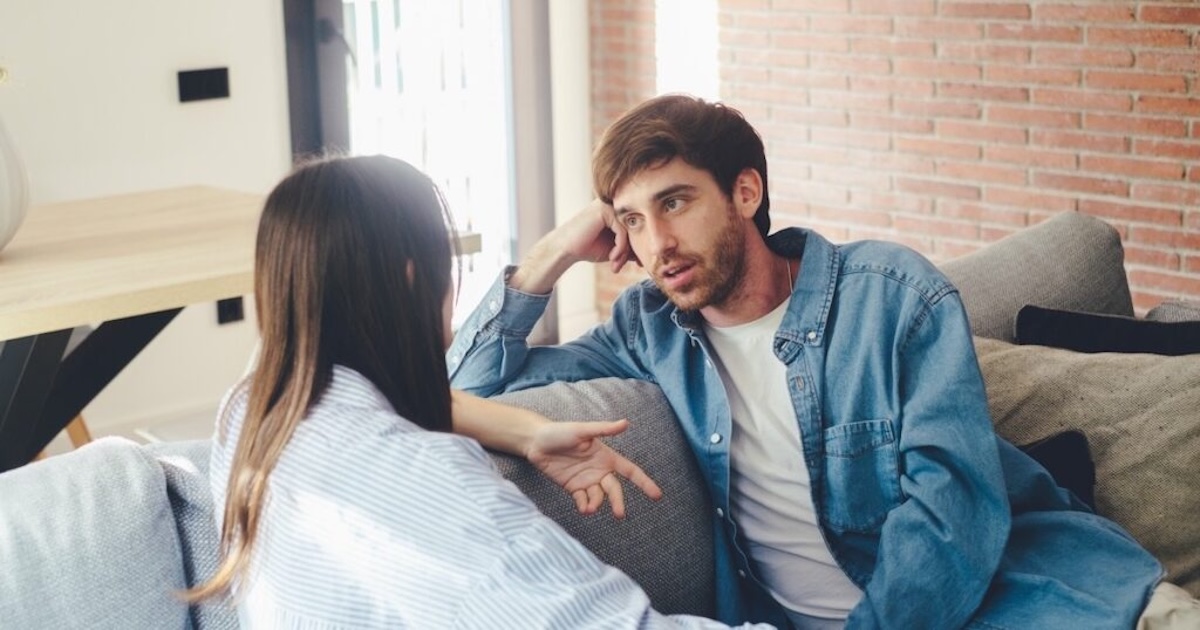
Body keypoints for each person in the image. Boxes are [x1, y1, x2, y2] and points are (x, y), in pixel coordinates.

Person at [448, 94, 1198, 628]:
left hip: (1040, 600)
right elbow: (460, 386)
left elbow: (954, 510)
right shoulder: (649, 330)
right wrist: (546, 258)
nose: (657, 246)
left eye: (675, 203)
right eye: (633, 220)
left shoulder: (891, 297)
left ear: (746, 191)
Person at [188, 155, 773, 629]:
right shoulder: (422, 481)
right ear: (415, 279)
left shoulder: (253, 404)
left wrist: (523, 429)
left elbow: (421, 396)